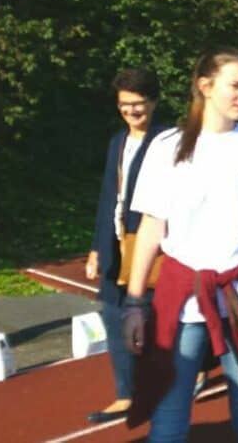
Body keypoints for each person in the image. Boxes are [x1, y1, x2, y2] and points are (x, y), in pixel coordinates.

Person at [120, 46, 238, 442]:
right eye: (236, 86)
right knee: (170, 408)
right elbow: (151, 227)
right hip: (182, 298)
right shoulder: (167, 146)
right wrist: (134, 303)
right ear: (205, 86)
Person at [85, 68, 168, 423]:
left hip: (153, 243)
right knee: (112, 314)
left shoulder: (169, 140)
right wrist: (96, 247)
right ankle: (125, 394)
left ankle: (182, 376)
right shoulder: (117, 141)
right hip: (116, 244)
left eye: (138, 103)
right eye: (124, 104)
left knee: (156, 319)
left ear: (154, 102)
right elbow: (108, 196)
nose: (131, 111)